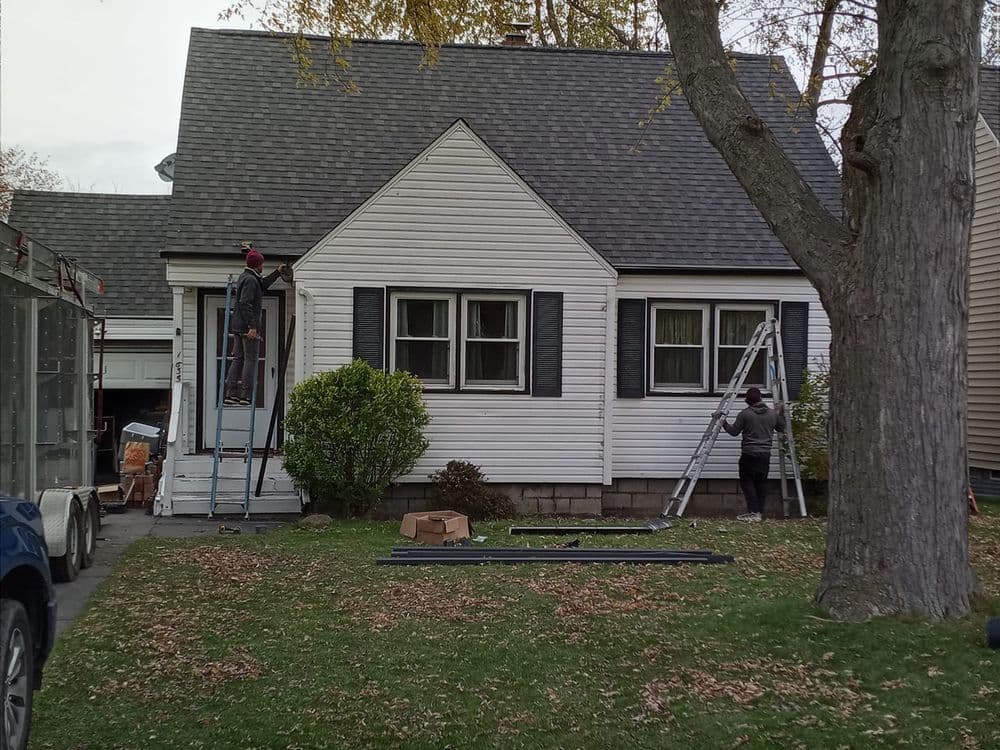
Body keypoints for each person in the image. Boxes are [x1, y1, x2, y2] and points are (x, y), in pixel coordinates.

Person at [223, 248, 287, 405]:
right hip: (247, 328)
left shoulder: (246, 277)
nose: (262, 267)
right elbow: (245, 303)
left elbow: (263, 284)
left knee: (238, 359)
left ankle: (230, 394)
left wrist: (277, 272)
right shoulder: (251, 280)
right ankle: (245, 395)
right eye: (261, 264)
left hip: (238, 326)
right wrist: (252, 326)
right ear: (257, 265)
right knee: (250, 360)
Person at [713, 387, 784, 522]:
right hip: (764, 455)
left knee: (747, 482)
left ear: (747, 400)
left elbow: (734, 432)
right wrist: (781, 413)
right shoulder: (772, 414)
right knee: (761, 483)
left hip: (749, 454)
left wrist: (723, 421)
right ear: (760, 398)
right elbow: (781, 427)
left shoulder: (745, 414)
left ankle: (753, 512)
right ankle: (759, 512)